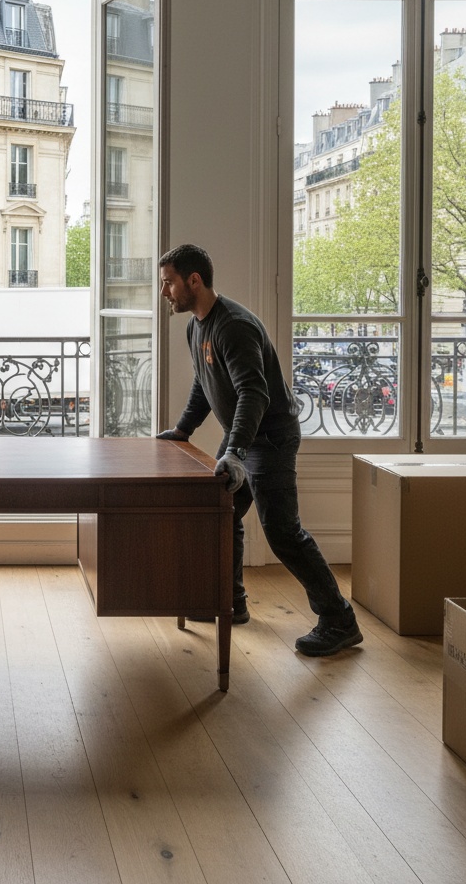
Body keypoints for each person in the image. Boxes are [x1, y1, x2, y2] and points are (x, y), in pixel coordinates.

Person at [156, 243, 362, 657]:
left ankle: (339, 620)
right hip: (243, 437)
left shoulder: (234, 325)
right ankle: (230, 602)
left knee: (283, 533)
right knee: (224, 513)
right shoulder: (196, 326)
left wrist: (234, 451)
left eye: (169, 283)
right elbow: (204, 382)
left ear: (193, 281)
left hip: (269, 438)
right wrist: (183, 429)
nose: (165, 293)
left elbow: (254, 392)